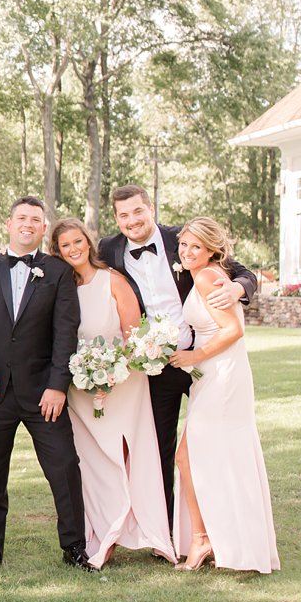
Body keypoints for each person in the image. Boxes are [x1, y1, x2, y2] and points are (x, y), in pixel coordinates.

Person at [98, 184, 259, 522]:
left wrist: (237, 287)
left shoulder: (181, 240)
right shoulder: (109, 249)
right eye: (124, 215)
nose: (132, 221)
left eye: (138, 211)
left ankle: (225, 521)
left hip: (206, 359)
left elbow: (243, 272)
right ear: (116, 218)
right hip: (159, 367)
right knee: (160, 449)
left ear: (151, 209)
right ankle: (167, 530)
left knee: (215, 443)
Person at [0, 196, 90, 575]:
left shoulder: (57, 272)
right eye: (22, 218)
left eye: (36, 220)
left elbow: (66, 331)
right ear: (9, 224)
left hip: (43, 391)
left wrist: (58, 385)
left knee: (64, 466)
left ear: (44, 229)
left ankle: (75, 546)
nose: (28, 224)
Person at [50, 220, 174, 567]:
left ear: (88, 243)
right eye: (65, 245)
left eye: (78, 241)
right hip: (80, 390)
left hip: (123, 383)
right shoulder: (62, 287)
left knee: (126, 455)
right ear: (57, 252)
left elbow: (134, 337)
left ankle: (144, 530)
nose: (73, 249)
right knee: (92, 464)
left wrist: (111, 373)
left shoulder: (113, 280)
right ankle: (105, 533)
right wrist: (86, 376)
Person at [167, 217, 279, 574]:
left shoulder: (208, 276)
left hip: (221, 373)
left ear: (212, 250)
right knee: (197, 456)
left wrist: (194, 356)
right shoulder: (203, 272)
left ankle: (207, 539)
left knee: (188, 456)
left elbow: (233, 329)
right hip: (212, 374)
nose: (186, 252)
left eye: (195, 247)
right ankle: (208, 537)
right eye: (184, 244)